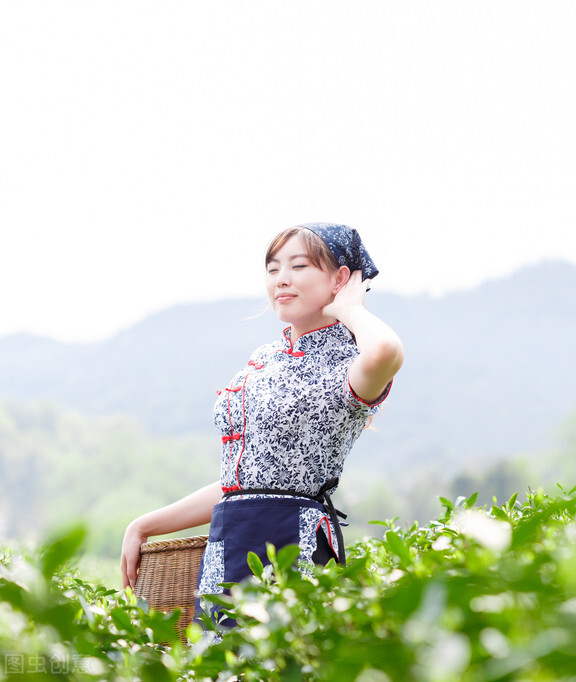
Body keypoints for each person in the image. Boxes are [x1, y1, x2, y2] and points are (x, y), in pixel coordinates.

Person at [119, 222, 404, 628]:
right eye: (273, 269)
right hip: (229, 545)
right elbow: (242, 482)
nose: (281, 279)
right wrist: (145, 525)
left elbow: (387, 351)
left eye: (299, 265)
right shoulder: (265, 358)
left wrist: (352, 309)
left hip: (292, 544)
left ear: (340, 279)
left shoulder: (349, 360)